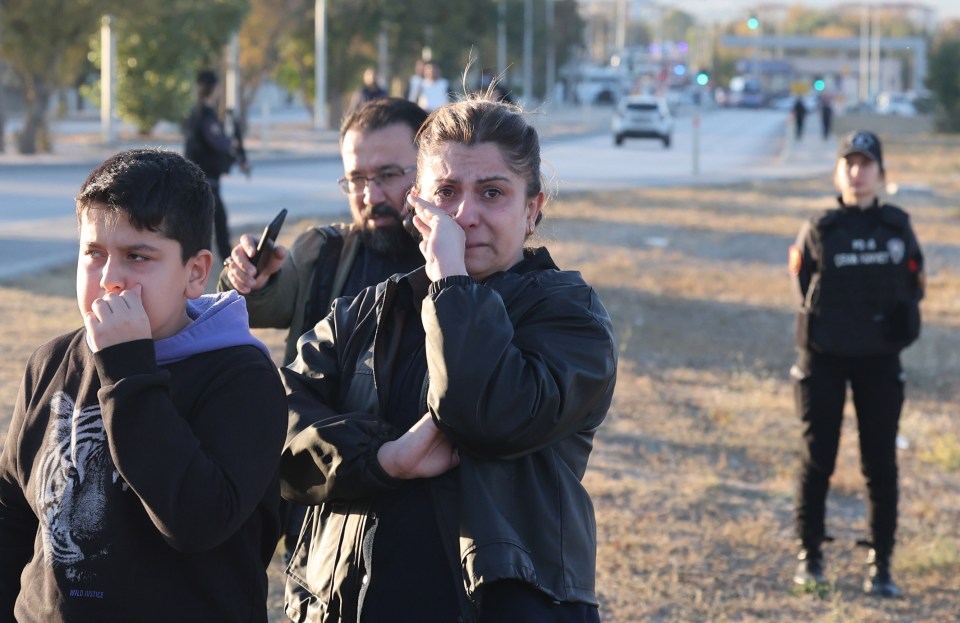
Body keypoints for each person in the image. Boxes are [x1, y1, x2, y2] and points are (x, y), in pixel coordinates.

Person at [278, 94, 618, 622]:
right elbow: (275, 429)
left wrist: (453, 284)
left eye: (492, 193)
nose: (466, 214)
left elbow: (484, 415)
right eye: (447, 192)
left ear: (532, 208)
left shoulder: (569, 318)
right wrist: (385, 459)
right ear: (419, 206)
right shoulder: (367, 312)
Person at [0, 149, 287, 621]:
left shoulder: (242, 378)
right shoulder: (50, 362)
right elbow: (14, 507)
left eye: (137, 256)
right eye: (93, 254)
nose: (110, 280)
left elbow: (195, 521)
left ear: (195, 273)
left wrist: (127, 370)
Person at [219, 97, 428, 558]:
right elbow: (259, 306)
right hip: (322, 492)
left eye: (390, 175)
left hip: (425, 496)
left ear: (430, 167)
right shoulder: (323, 251)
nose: (371, 196)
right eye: (356, 179)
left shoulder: (461, 260)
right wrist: (249, 280)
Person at [789, 130, 924, 598]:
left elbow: (914, 286)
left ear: (880, 173)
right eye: (848, 162)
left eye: (866, 163)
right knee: (817, 459)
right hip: (823, 357)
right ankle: (810, 556)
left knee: (880, 463)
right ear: (837, 171)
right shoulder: (819, 226)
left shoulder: (897, 227)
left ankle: (881, 562)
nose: (856, 170)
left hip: (879, 360)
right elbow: (802, 281)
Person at [185, 69, 250, 263]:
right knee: (218, 227)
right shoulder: (205, 117)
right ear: (213, 90)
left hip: (201, 181)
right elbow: (218, 143)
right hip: (206, 183)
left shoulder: (199, 115)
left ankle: (221, 263)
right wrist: (232, 145)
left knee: (204, 228)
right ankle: (230, 266)